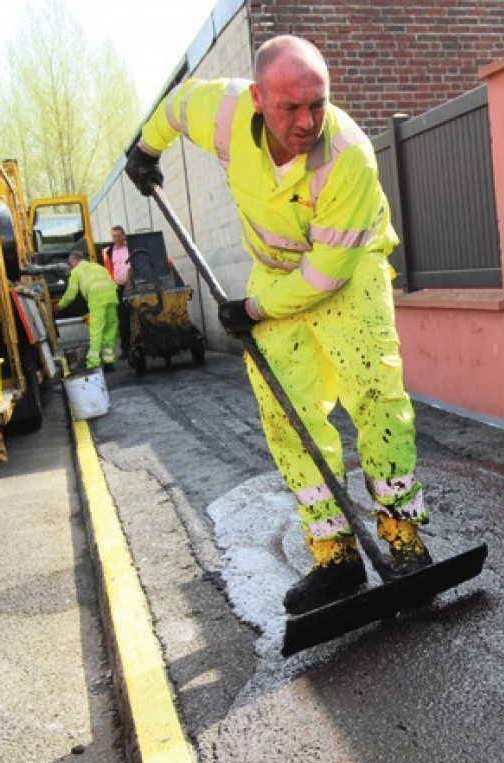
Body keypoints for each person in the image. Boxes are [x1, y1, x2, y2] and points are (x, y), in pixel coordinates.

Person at [126, 35, 432, 615]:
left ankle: (404, 542)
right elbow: (171, 109)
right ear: (258, 100)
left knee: (375, 399)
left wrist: (250, 311)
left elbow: (324, 276)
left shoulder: (348, 155)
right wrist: (145, 150)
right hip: (275, 267)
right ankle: (336, 556)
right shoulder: (220, 108)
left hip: (347, 269)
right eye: (290, 107)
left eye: (317, 104)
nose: (307, 120)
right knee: (286, 413)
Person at [57, 249, 120, 372]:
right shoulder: (98, 266)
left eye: (71, 264)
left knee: (96, 331)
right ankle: (109, 362)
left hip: (97, 299)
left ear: (74, 261)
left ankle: (93, 363)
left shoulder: (76, 271)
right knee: (110, 329)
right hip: (112, 297)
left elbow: (71, 294)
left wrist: (60, 305)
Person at [102, 226, 132, 359]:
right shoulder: (108, 252)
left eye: (119, 236)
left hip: (133, 286)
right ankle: (126, 349)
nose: (116, 238)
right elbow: (107, 270)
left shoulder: (131, 247)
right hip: (118, 288)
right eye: (114, 236)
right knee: (123, 320)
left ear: (124, 236)